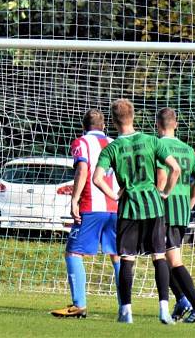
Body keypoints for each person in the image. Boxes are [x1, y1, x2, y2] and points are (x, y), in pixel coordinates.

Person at [92, 99, 181, 324]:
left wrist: (113, 196)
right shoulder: (151, 140)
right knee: (159, 256)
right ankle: (163, 310)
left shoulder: (111, 148)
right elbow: (175, 169)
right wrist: (165, 193)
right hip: (153, 206)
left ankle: (126, 312)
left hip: (129, 208)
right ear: (134, 117)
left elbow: (97, 179)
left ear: (113, 122)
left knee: (127, 259)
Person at [51, 109, 120, 319]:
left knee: (73, 252)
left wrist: (74, 199)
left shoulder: (81, 142)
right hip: (116, 206)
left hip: (92, 206)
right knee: (117, 255)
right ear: (104, 126)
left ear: (84, 125)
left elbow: (82, 169)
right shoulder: (116, 143)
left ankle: (79, 304)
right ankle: (125, 304)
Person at [154, 108, 195, 323]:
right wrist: (191, 200)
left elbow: (161, 175)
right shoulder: (188, 149)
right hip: (182, 209)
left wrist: (159, 197)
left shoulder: (159, 145)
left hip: (165, 208)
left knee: (170, 259)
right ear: (175, 124)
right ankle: (182, 299)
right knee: (164, 257)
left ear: (158, 125)